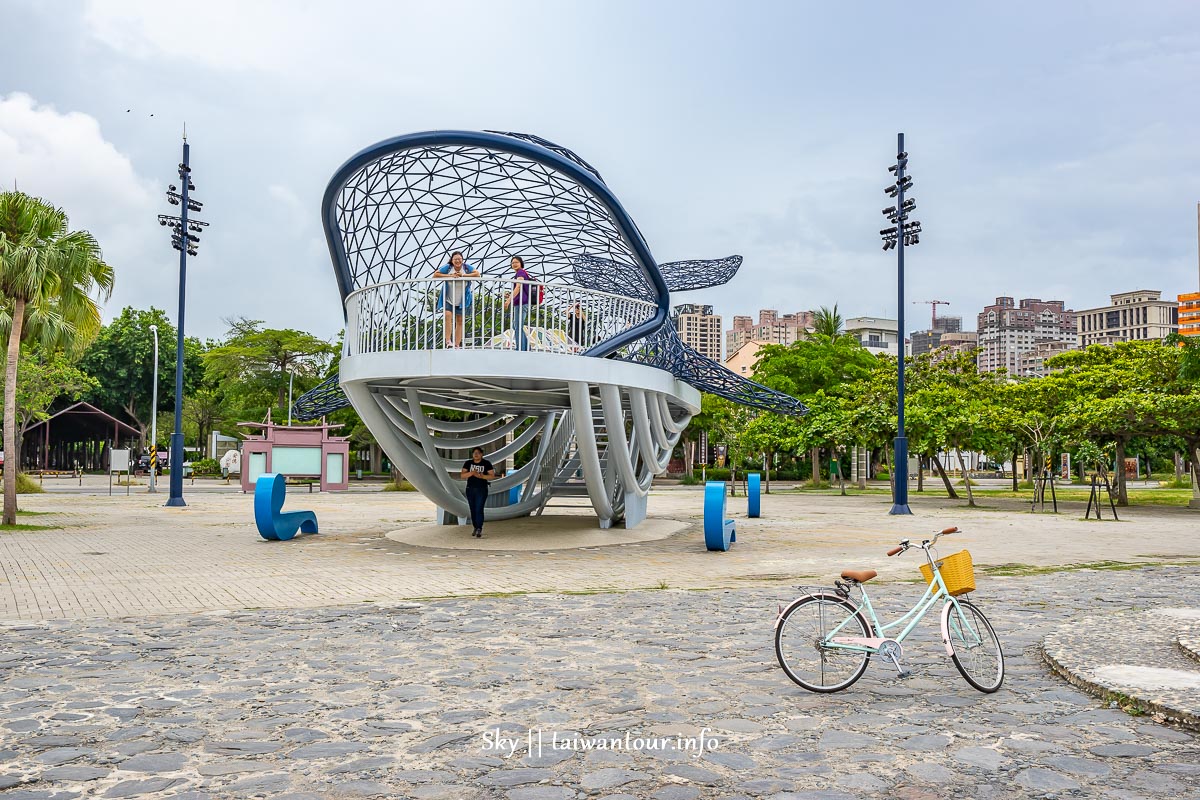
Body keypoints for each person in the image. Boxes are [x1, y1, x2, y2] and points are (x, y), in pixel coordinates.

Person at [433, 251, 480, 348]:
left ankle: (457, 344)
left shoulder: (466, 268)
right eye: (455, 259)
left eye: (459, 259)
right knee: (447, 315)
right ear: (452, 260)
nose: (458, 261)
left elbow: (477, 274)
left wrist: (462, 275)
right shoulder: (448, 268)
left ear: (462, 259)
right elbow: (435, 274)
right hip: (448, 297)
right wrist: (450, 276)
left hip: (463, 299)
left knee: (459, 321)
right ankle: (448, 341)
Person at [460, 447, 496, 537]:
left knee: (479, 508)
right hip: (470, 488)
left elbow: (492, 476)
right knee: (473, 509)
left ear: (481, 454)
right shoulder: (468, 463)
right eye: (474, 453)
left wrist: (482, 476)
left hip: (481, 489)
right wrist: (471, 473)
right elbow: (462, 475)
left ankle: (479, 528)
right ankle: (475, 527)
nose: (476, 454)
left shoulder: (486, 463)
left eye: (478, 453)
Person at [503, 256, 536, 351]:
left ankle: (520, 348)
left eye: (516, 262)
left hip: (522, 303)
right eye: (512, 263)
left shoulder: (520, 272)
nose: (514, 264)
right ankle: (526, 347)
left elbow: (518, 287)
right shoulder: (520, 273)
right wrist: (510, 296)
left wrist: (508, 301)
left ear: (521, 263)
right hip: (520, 302)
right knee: (516, 325)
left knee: (517, 325)